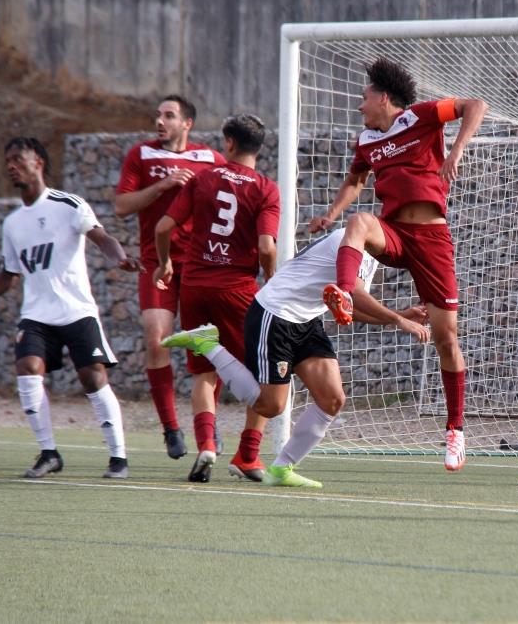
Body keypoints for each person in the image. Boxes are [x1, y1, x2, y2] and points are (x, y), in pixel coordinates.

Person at [308, 57, 487, 471]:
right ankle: (344, 293)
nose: (359, 106)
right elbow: (356, 181)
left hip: (430, 239)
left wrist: (456, 148)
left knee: (445, 338)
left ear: (383, 97)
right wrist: (332, 215)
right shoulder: (366, 141)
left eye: (364, 98)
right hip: (392, 234)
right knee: (358, 222)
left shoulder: (421, 116)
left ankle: (456, 430)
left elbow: (475, 104)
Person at [161, 227, 430, 488]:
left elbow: (351, 306)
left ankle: (281, 468)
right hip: (275, 314)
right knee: (271, 407)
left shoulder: (370, 255)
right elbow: (357, 296)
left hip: (307, 321)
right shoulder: (352, 240)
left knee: (332, 399)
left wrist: (401, 318)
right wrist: (398, 319)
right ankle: (208, 344)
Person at [0, 137, 141, 479]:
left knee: (92, 377)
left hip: (76, 310)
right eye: (8, 160)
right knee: (27, 367)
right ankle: (49, 453)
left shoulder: (67, 204)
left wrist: (121, 260)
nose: (12, 165)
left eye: (19, 158)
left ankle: (118, 457)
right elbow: (9, 275)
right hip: (37, 314)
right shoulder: (13, 223)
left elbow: (102, 237)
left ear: (38, 162)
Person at [153, 114, 280, 483]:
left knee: (205, 371)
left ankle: (207, 445)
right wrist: (269, 280)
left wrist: (165, 264)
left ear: (228, 143)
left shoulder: (202, 180)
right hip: (238, 289)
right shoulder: (266, 189)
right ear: (258, 147)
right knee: (263, 372)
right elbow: (266, 247)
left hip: (194, 286)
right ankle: (248, 454)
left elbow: (164, 227)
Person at [115, 94, 227, 460]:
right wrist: (162, 187)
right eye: (157, 115)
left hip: (200, 263)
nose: (159, 121)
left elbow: (236, 188)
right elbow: (121, 206)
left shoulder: (209, 158)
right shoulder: (141, 155)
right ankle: (170, 428)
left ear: (187, 124)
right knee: (156, 339)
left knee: (209, 344)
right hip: (155, 261)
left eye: (168, 115)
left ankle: (209, 427)